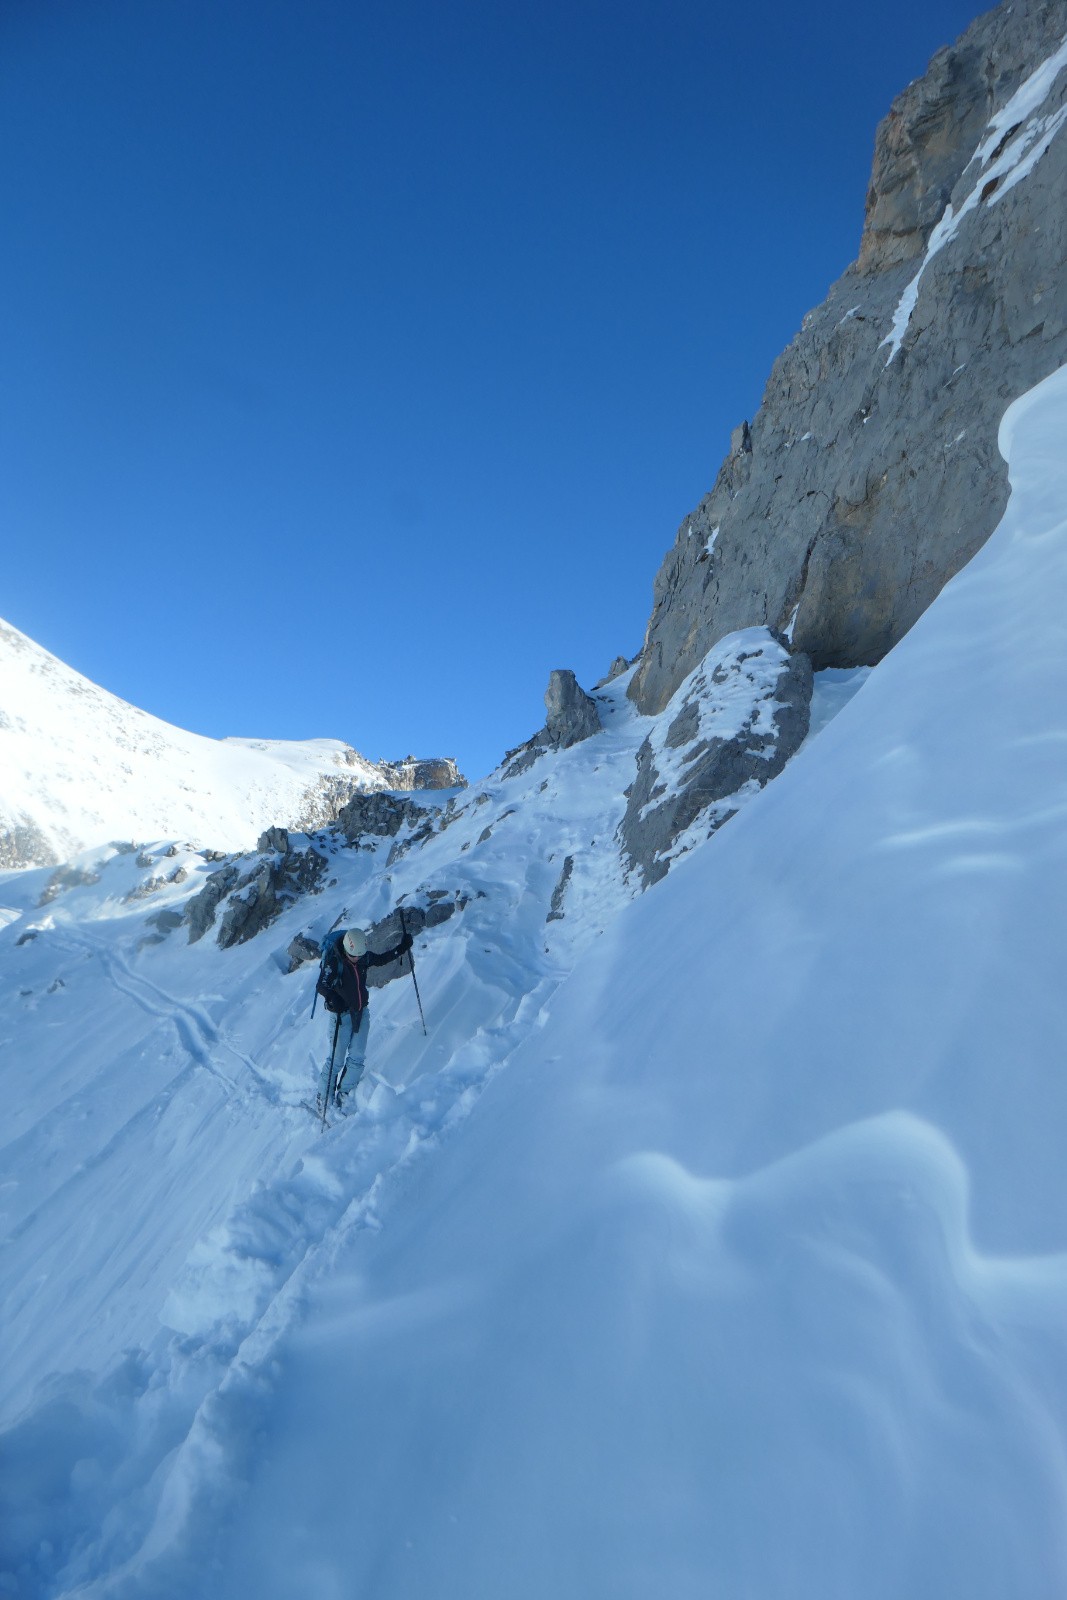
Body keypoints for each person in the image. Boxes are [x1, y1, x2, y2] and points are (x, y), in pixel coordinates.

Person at [315, 924, 412, 1111]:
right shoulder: (334, 961)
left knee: (357, 1057)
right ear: (346, 948)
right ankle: (323, 1097)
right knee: (336, 1060)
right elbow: (321, 984)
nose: (357, 959)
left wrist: (402, 948)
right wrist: (331, 997)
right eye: (354, 956)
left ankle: (345, 1094)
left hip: (361, 1012)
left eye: (359, 956)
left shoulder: (362, 957)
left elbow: (381, 959)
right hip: (340, 1017)